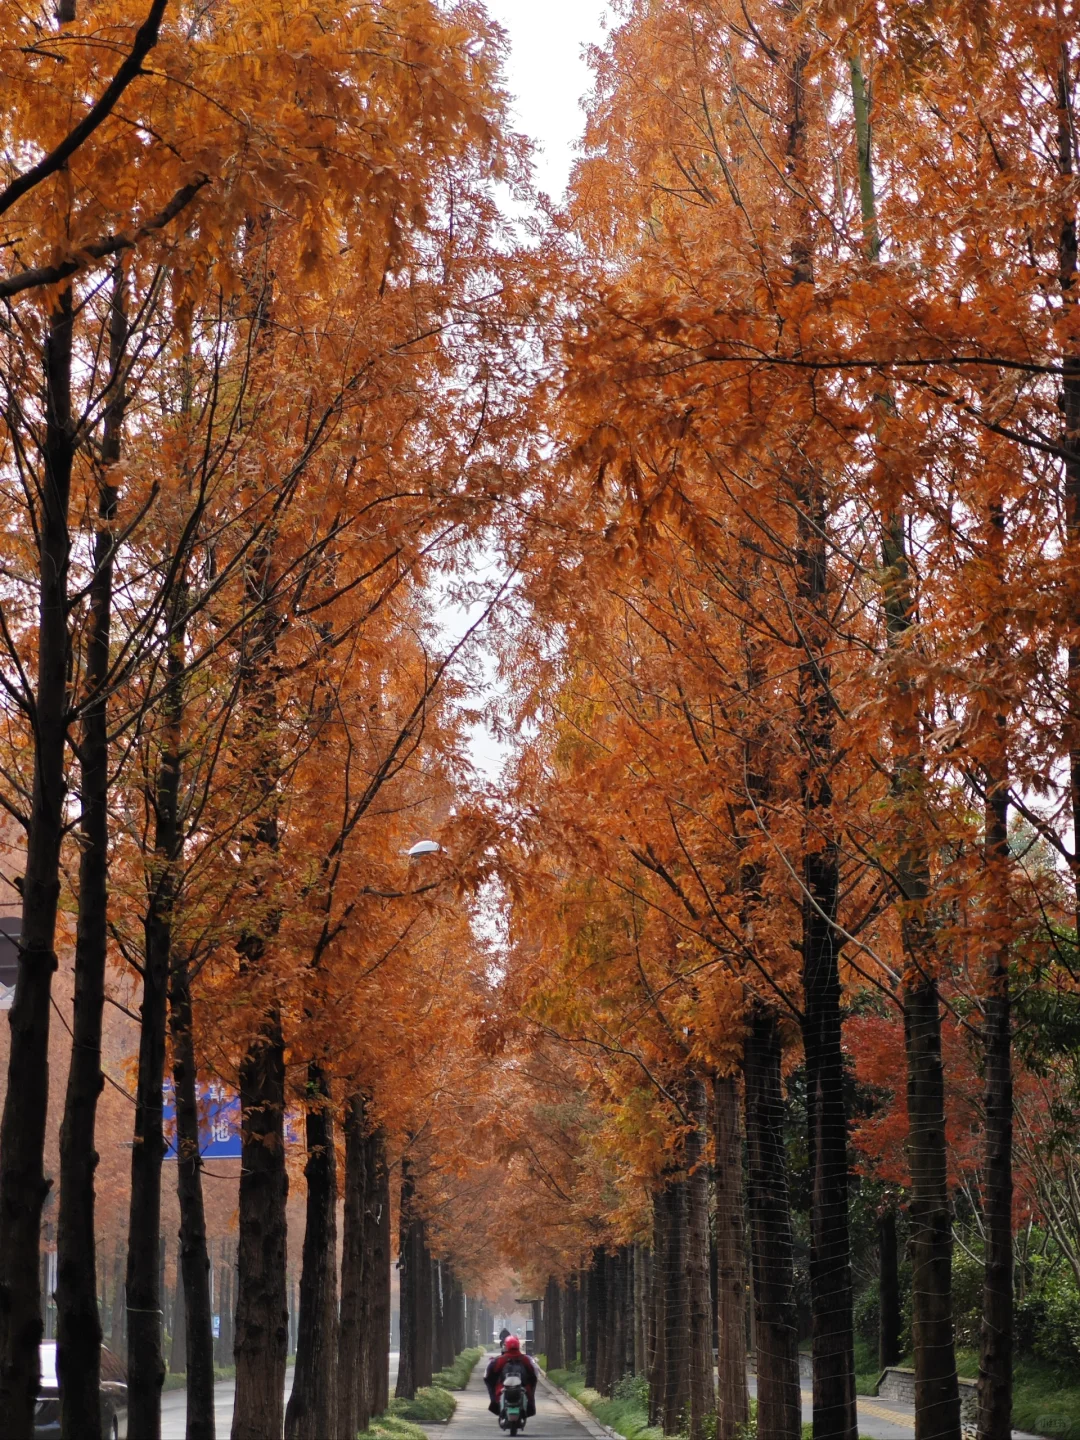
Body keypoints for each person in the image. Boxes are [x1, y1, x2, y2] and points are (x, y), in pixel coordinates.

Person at [485, 1335, 538, 1418]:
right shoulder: (525, 1359)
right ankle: (530, 1406)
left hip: (502, 1389)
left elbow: (489, 1375)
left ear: (505, 1346)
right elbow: (533, 1374)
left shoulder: (500, 1360)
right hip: (523, 1388)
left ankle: (494, 1403)